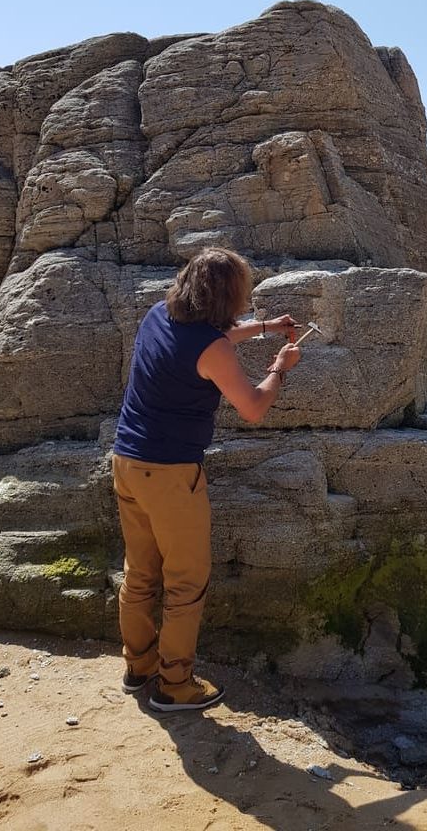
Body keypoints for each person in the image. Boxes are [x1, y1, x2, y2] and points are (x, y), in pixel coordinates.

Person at [112, 247, 301, 712]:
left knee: (139, 574)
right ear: (228, 297)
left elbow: (206, 342)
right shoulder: (211, 347)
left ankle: (139, 667)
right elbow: (253, 407)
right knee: (185, 582)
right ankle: (174, 686)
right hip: (171, 474)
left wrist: (265, 326)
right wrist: (279, 367)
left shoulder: (158, 314)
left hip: (126, 461)